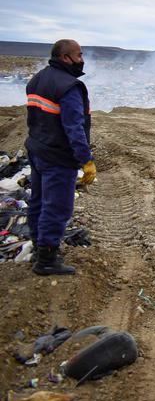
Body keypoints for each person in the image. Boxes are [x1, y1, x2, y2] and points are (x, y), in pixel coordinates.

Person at [25, 39, 96, 275]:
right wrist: (85, 160)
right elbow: (74, 127)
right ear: (65, 57)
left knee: (38, 202)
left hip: (38, 150)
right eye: (79, 55)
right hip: (58, 157)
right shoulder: (69, 87)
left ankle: (38, 249)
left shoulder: (38, 78)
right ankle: (46, 260)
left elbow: (33, 118)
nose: (82, 60)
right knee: (57, 208)